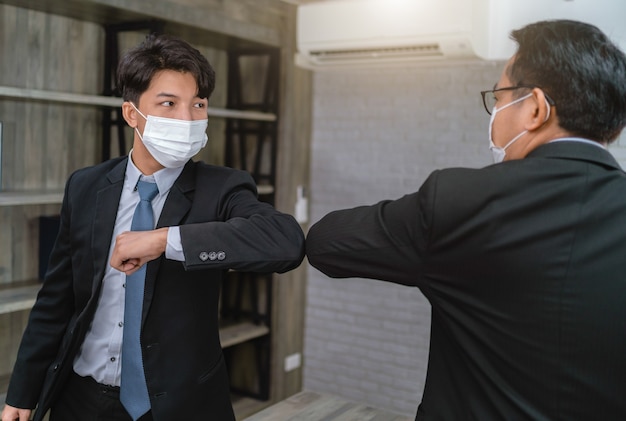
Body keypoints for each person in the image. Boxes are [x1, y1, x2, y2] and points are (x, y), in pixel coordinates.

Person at [306, 19, 626, 420]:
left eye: (499, 97)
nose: (494, 112)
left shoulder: (460, 201)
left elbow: (326, 244)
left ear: (536, 109)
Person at [2, 34, 304, 421]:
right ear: (132, 114)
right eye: (168, 103)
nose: (187, 119)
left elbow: (286, 242)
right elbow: (56, 300)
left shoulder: (223, 187)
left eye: (198, 104)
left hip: (176, 406)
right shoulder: (86, 186)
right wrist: (21, 393)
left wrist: (165, 240)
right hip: (80, 399)